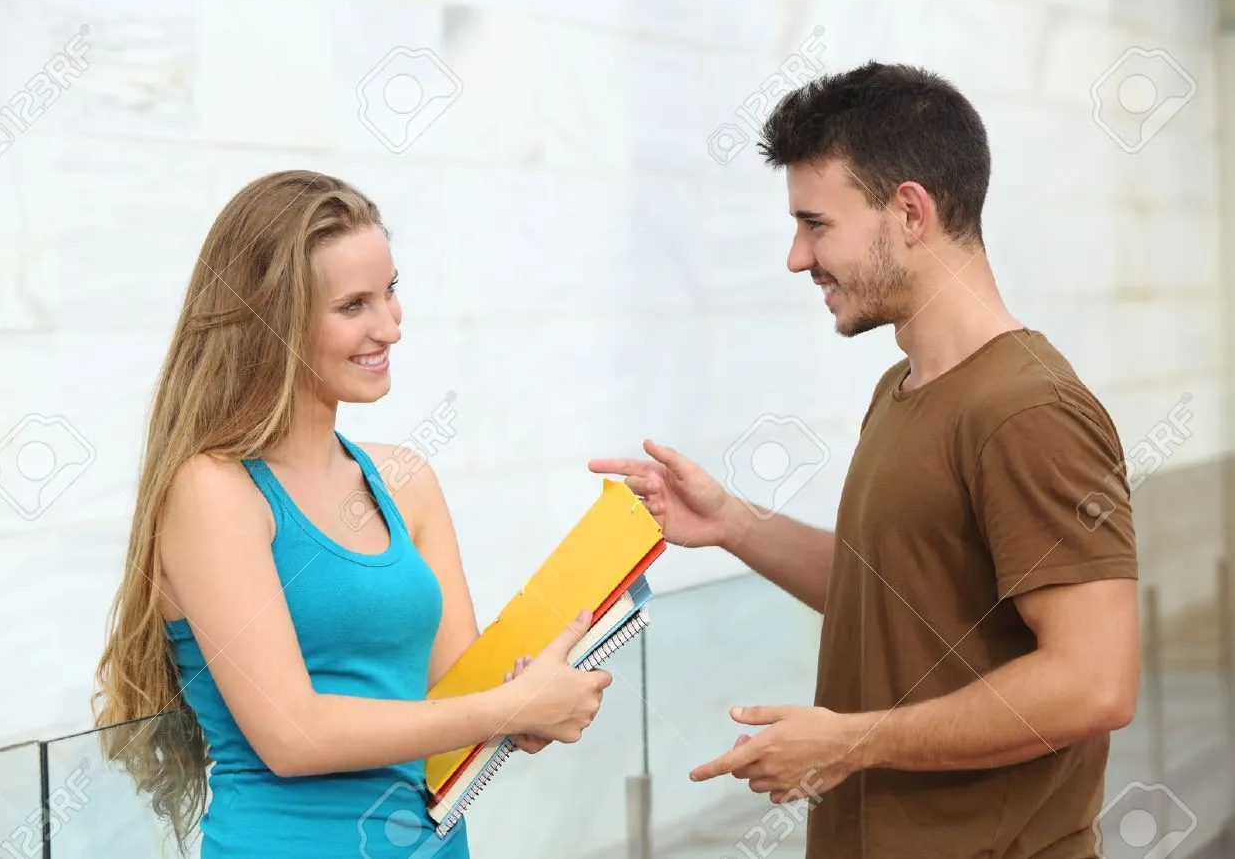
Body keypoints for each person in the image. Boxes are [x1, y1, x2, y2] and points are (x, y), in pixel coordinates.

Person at [590, 62, 1140, 857]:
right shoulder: (903, 387)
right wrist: (735, 523)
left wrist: (849, 742)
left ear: (909, 211)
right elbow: (891, 596)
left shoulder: (1028, 409)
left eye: (817, 224)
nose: (795, 256)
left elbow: (1093, 683)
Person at [91, 170, 612, 858]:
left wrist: (537, 694)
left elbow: (458, 699)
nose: (390, 326)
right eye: (353, 306)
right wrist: (505, 708)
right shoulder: (211, 491)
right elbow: (291, 735)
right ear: (271, 321)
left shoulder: (406, 480)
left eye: (391, 291)